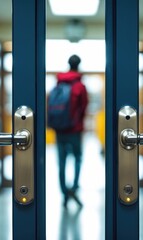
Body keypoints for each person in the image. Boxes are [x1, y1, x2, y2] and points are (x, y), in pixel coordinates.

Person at [54, 54, 88, 208]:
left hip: (60, 129)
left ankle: (64, 193)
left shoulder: (59, 83)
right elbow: (83, 108)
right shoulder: (80, 86)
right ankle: (74, 188)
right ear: (78, 65)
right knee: (77, 159)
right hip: (75, 130)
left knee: (61, 162)